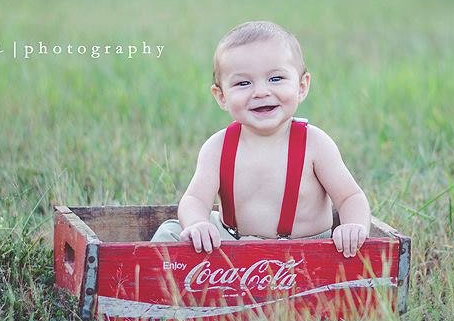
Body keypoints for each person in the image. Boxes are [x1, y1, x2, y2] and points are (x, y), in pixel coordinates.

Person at [151, 21, 371, 258]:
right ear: (221, 96)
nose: (261, 92)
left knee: (339, 253)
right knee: (169, 232)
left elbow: (350, 197)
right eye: (243, 83)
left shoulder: (315, 144)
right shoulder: (217, 147)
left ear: (301, 86)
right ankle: (144, 290)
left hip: (305, 250)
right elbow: (195, 199)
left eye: (275, 78)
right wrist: (197, 224)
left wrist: (352, 227)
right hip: (231, 243)